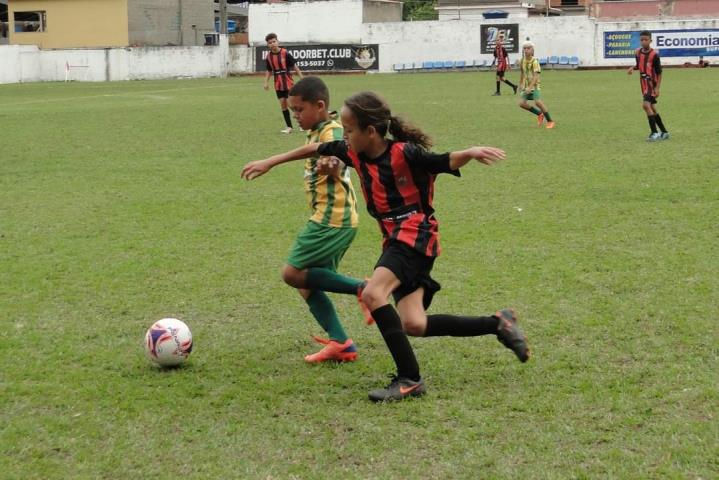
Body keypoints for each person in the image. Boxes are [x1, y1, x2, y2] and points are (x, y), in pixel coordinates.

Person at [247, 91, 531, 402]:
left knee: (372, 293)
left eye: (350, 129)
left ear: (370, 132)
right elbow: (314, 147)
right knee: (414, 324)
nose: (345, 135)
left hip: (414, 234)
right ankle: (498, 324)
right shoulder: (352, 153)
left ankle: (410, 379)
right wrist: (270, 162)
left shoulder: (404, 153)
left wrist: (470, 152)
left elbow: (442, 160)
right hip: (398, 240)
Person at [241, 77, 372, 364]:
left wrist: (272, 161)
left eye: (300, 110)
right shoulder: (316, 130)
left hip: (331, 220)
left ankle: (364, 289)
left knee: (291, 273)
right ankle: (342, 343)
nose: (296, 116)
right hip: (334, 219)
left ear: (320, 105)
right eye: (293, 111)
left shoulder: (333, 131)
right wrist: (332, 167)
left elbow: (336, 159)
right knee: (307, 284)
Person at [627, 31, 669, 141]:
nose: (643, 41)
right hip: (643, 84)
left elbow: (659, 72)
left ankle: (654, 133)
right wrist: (633, 68)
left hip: (651, 84)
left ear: (650, 40)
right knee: (652, 108)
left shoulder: (654, 55)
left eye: (646, 39)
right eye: (641, 39)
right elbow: (639, 65)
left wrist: (657, 88)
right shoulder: (637, 52)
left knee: (646, 105)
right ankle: (664, 132)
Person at [263, 33, 303, 134]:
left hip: (288, 83)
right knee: (283, 105)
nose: (272, 44)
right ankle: (289, 127)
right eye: (270, 43)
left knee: (291, 104)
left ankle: (302, 123)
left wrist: (301, 77)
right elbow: (269, 70)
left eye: (274, 41)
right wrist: (266, 82)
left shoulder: (285, 53)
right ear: (267, 45)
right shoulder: (268, 57)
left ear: (278, 42)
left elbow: (294, 66)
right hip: (278, 85)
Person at [518, 41, 555, 129]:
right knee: (521, 103)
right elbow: (522, 72)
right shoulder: (522, 60)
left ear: (532, 50)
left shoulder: (535, 61)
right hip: (526, 86)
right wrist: (520, 84)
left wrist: (530, 87)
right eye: (525, 48)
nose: (526, 50)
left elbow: (536, 76)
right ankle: (539, 114)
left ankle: (550, 121)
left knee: (538, 102)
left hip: (534, 86)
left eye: (528, 48)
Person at [491, 32, 518, 96]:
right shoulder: (495, 49)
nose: (497, 41)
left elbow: (507, 56)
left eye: (498, 40)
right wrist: (493, 63)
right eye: (496, 40)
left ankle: (498, 92)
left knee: (498, 77)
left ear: (500, 41)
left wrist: (509, 64)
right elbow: (495, 56)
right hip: (499, 64)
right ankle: (514, 86)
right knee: (501, 78)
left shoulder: (502, 48)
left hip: (503, 64)